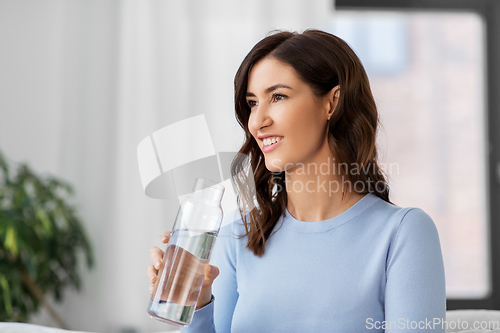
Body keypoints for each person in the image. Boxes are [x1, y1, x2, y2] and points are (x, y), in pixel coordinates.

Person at [147, 29, 446, 332]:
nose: (258, 121)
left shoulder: (403, 233)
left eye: (277, 97)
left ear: (332, 103)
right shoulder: (237, 238)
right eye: (252, 103)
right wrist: (197, 305)